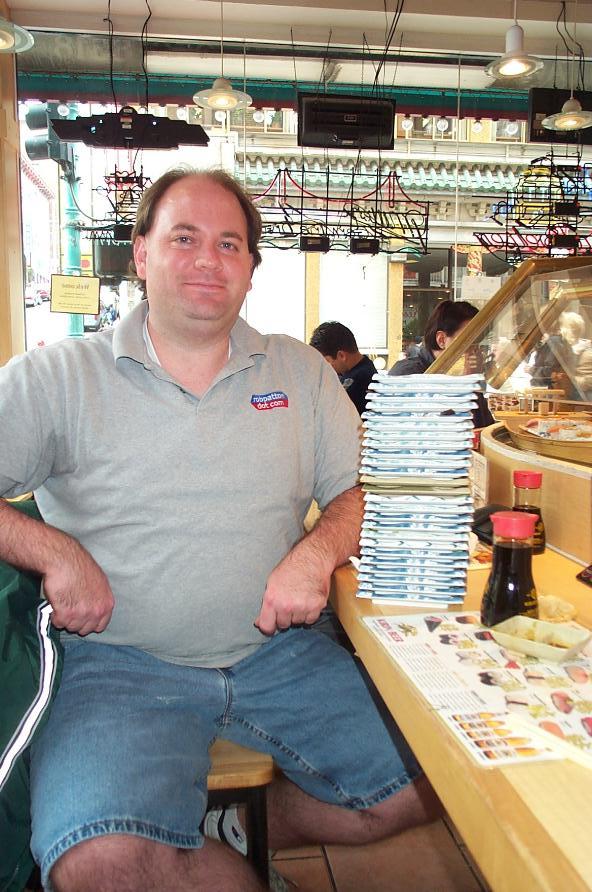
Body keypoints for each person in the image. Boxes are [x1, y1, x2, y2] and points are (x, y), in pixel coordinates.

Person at [0, 167, 439, 892]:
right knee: (93, 864)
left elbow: (362, 491)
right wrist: (55, 550)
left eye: (230, 244)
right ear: (141, 254)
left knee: (439, 784)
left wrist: (317, 553)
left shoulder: (300, 372)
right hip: (119, 668)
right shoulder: (58, 377)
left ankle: (237, 830)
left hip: (281, 656)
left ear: (251, 268)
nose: (209, 259)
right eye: (184, 238)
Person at [389, 299, 494, 428]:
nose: (474, 350)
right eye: (468, 342)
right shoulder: (407, 374)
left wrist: (473, 382)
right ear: (442, 340)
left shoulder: (456, 373)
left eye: (477, 342)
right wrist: (465, 385)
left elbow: (484, 426)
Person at [309, 321, 377, 415]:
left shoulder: (358, 382)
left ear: (341, 356)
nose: (324, 368)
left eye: (326, 362)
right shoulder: (364, 368)